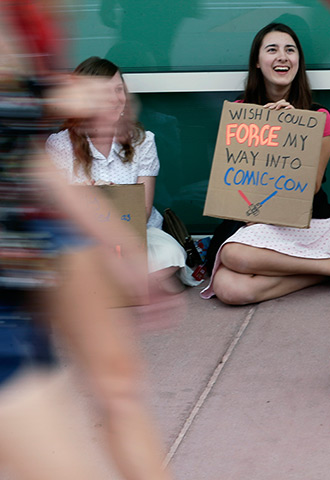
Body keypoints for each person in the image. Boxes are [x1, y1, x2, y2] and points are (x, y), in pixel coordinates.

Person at [0, 2, 175, 478]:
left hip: (37, 228)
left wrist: (116, 245)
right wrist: (57, 101)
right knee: (62, 461)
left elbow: (22, 157)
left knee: (120, 385)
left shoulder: (32, 17)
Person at [201, 22, 330, 305]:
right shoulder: (241, 113)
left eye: (290, 50)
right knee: (230, 290)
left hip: (304, 223)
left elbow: (310, 187)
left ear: (298, 62)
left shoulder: (319, 117)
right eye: (272, 49)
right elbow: (231, 178)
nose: (282, 56)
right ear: (257, 61)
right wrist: (260, 131)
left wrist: (292, 129)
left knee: (232, 255)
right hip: (254, 223)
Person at [46, 56, 199, 292]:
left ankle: (103, 286)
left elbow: (143, 211)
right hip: (85, 238)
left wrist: (113, 197)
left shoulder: (142, 141)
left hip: (136, 235)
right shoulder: (60, 145)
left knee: (171, 254)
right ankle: (126, 284)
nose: (116, 99)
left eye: (119, 89)